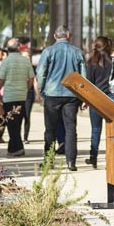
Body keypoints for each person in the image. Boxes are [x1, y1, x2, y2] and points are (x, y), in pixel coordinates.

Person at [36, 26, 85, 171]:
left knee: (50, 129)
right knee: (71, 128)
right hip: (72, 94)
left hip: (52, 93)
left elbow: (41, 72)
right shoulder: (77, 52)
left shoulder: (48, 51)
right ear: (68, 35)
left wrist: (42, 90)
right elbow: (83, 76)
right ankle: (71, 162)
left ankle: (49, 160)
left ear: (54, 36)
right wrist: (83, 97)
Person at [0, 38, 33, 157]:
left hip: (9, 96)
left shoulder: (6, 62)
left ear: (7, 49)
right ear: (18, 48)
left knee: (11, 124)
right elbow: (31, 79)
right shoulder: (26, 61)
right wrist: (26, 89)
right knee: (17, 123)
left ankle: (16, 149)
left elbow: (1, 80)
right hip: (22, 96)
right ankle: (14, 148)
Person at [85, 36, 114, 168]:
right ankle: (113, 157)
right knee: (112, 130)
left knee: (96, 130)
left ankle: (93, 157)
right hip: (110, 97)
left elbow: (89, 83)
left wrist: (85, 100)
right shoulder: (112, 62)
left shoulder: (92, 62)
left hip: (95, 98)